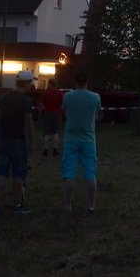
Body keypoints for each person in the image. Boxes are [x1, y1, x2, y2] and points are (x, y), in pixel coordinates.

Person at [0, 70, 36, 215]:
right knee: (18, 173)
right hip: (18, 140)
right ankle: (17, 205)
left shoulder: (4, 97)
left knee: (1, 173)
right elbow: (28, 123)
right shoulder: (25, 100)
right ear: (27, 83)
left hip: (3, 139)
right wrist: (31, 142)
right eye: (31, 82)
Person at [62, 71, 102, 213]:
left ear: (75, 81)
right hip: (88, 141)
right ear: (87, 81)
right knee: (90, 175)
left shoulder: (67, 96)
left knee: (69, 174)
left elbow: (65, 113)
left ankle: (68, 205)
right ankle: (91, 205)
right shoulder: (95, 97)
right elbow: (97, 115)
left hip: (71, 140)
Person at [39, 79, 64, 156]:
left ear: (50, 84)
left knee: (46, 132)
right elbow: (62, 103)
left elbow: (41, 103)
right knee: (55, 132)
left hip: (47, 113)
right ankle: (54, 149)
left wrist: (40, 113)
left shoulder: (45, 92)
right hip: (57, 113)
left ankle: (46, 149)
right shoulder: (59, 93)